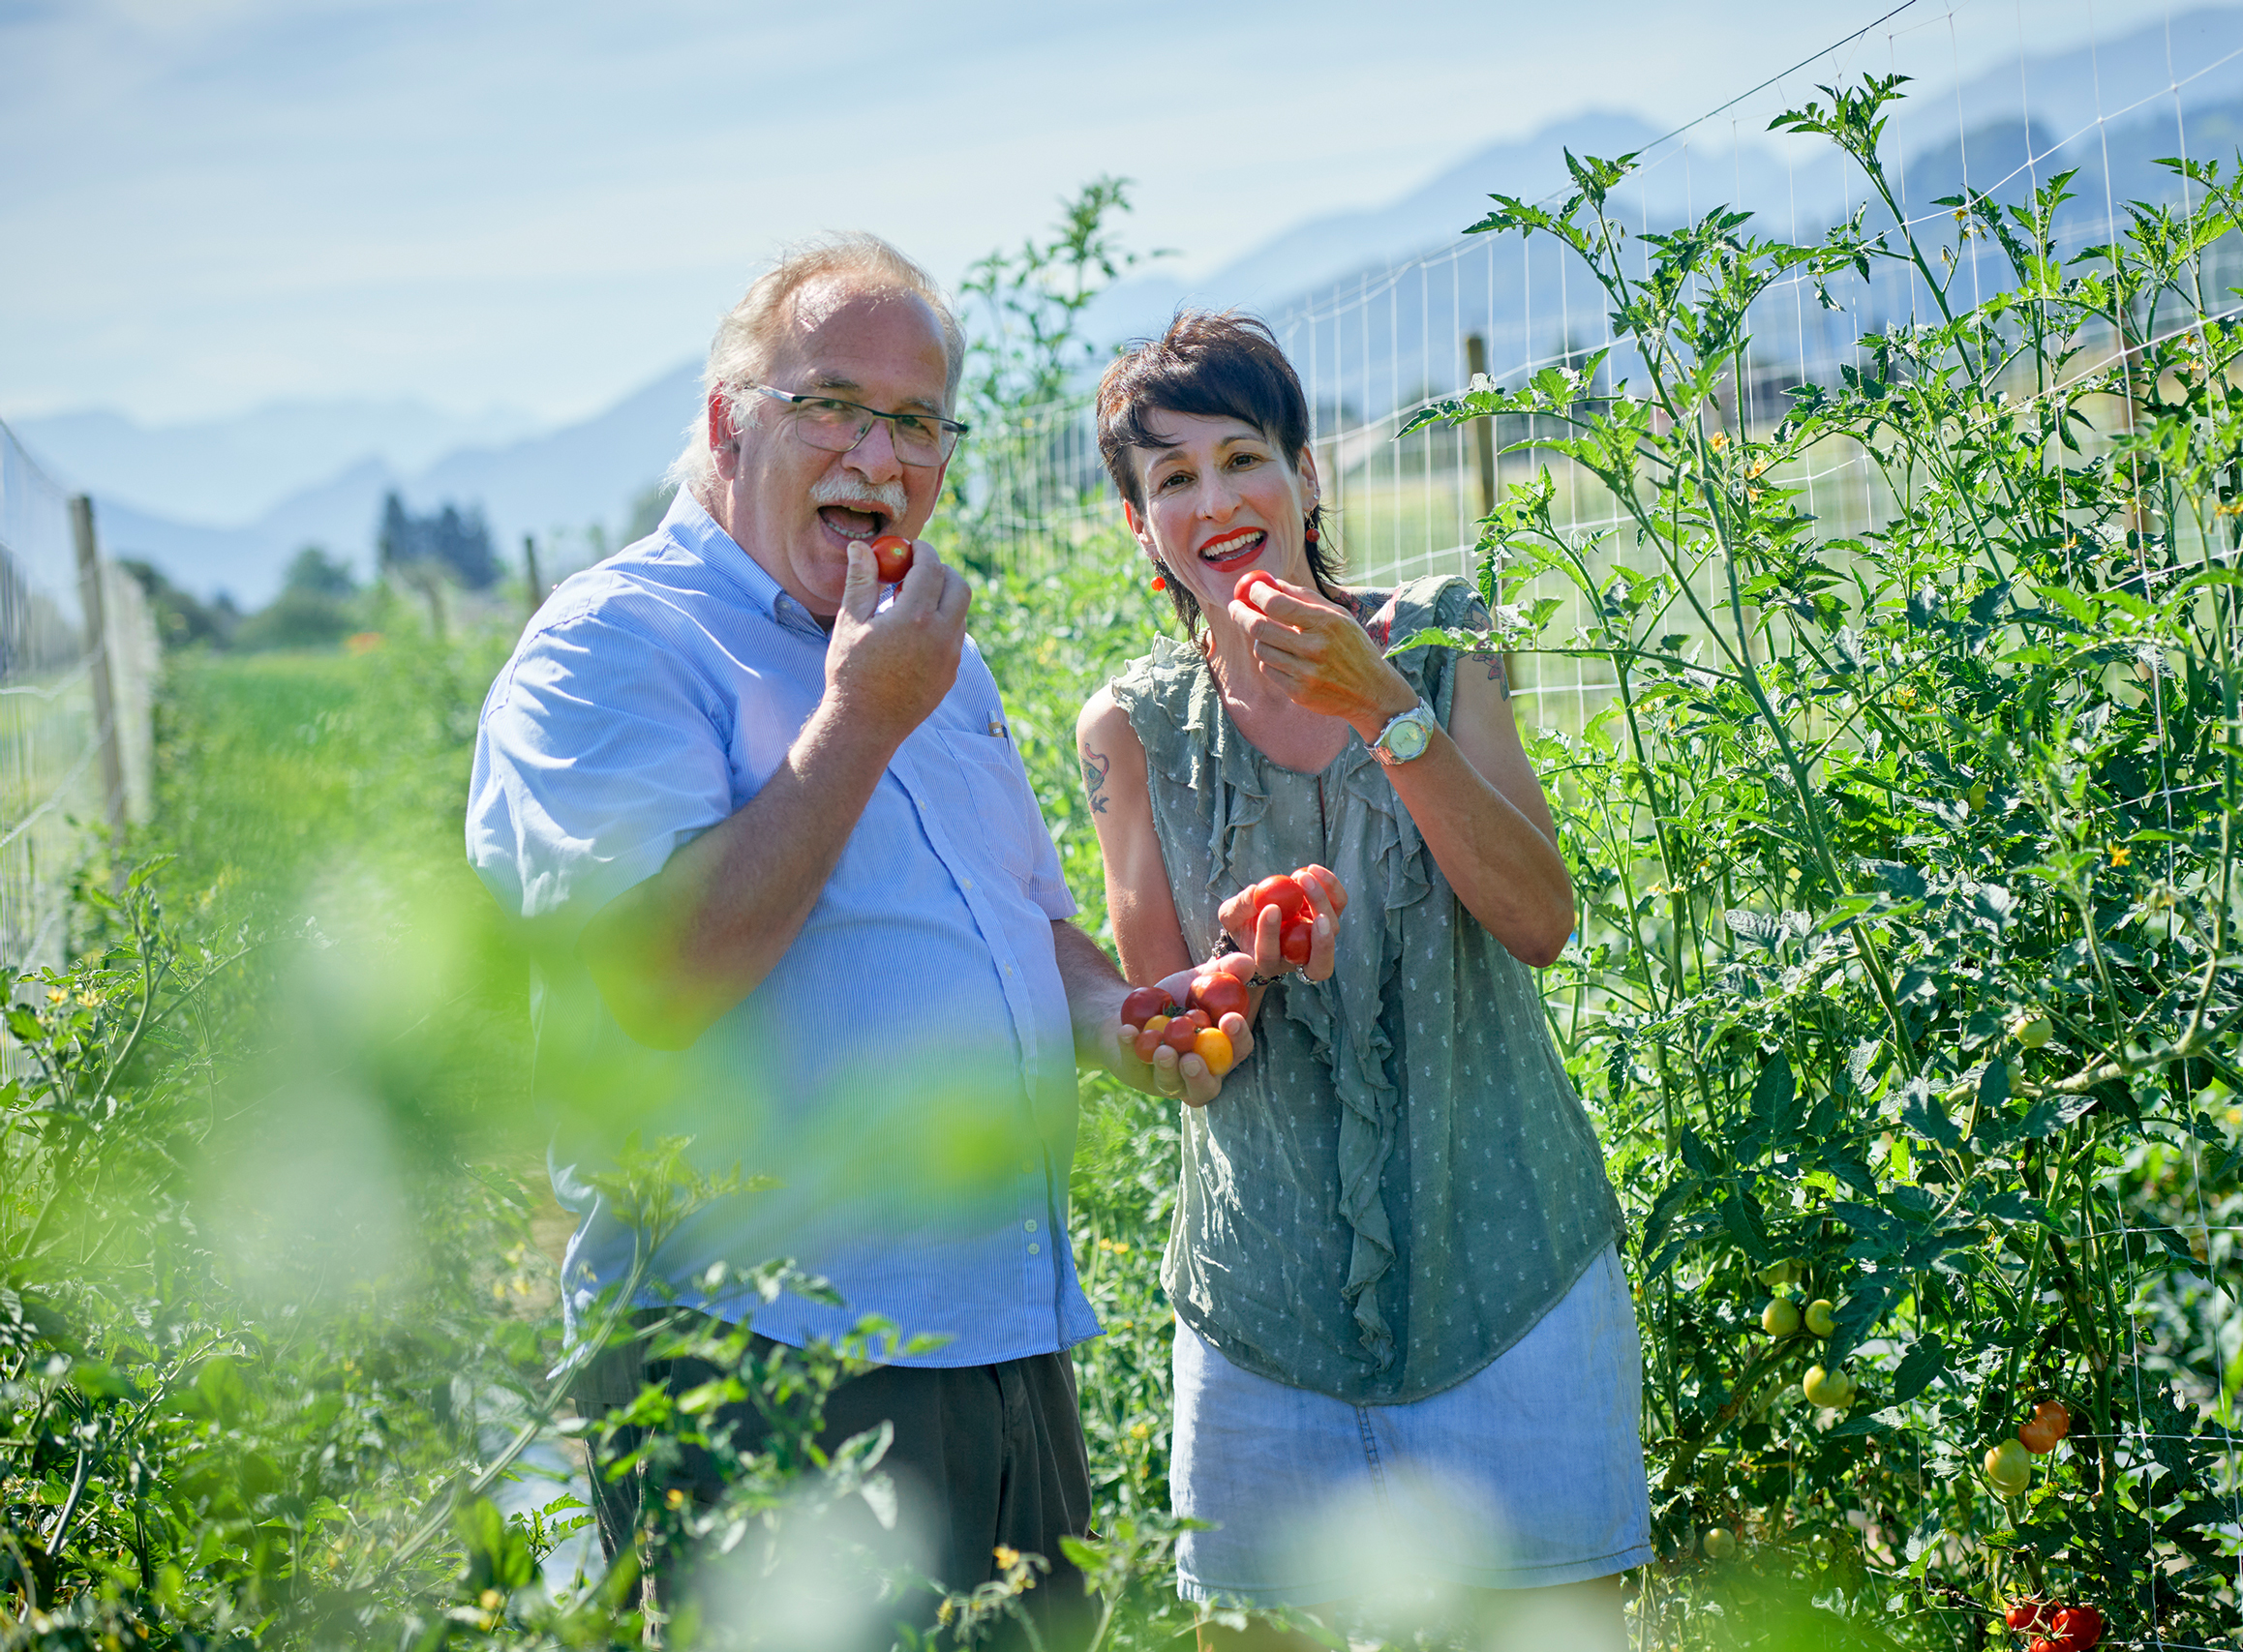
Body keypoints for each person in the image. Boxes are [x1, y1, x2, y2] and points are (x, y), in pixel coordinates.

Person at [465, 235, 1258, 1641]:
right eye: (830, 404)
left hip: (998, 1341)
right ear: (726, 424)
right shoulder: (616, 648)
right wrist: (863, 716)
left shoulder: (922, 649)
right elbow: (651, 978)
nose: (877, 455)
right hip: (768, 1365)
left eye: (915, 422)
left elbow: (1017, 928)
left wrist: (1122, 1016)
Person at [1075, 312, 1649, 1651]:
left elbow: (1540, 917)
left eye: (1240, 458)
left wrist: (1384, 710)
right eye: (1171, 480)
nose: (1214, 502)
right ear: (1138, 527)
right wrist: (1238, 981)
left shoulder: (1441, 649)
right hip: (1264, 1309)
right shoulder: (1134, 730)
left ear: (1307, 474)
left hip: (1507, 1276)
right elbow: (1167, 1028)